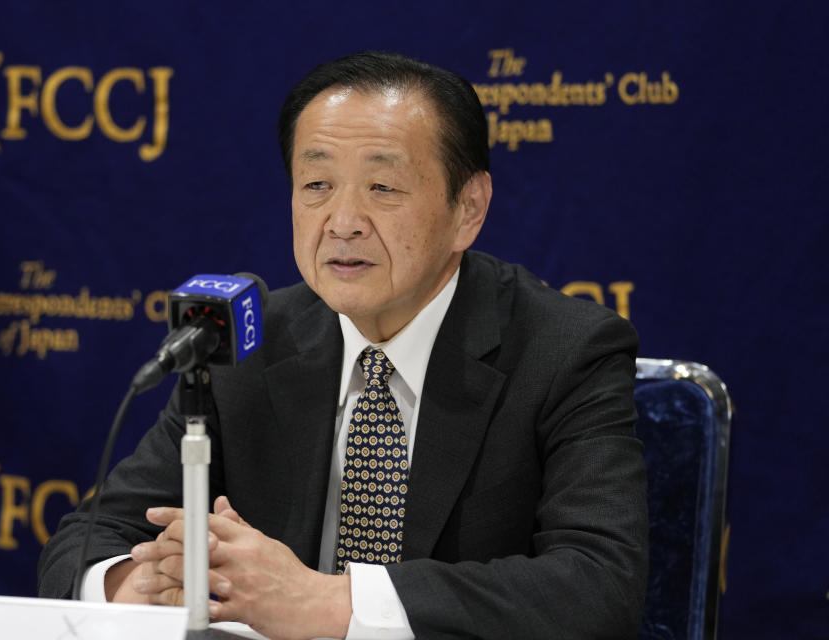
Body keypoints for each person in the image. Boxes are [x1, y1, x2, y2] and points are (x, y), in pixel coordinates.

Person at [39, 51, 648, 639]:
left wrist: (331, 603)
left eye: (382, 187)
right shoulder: (248, 340)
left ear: (469, 208)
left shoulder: (565, 350)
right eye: (317, 184)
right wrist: (149, 584)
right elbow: (85, 540)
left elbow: (599, 588)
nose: (343, 220)